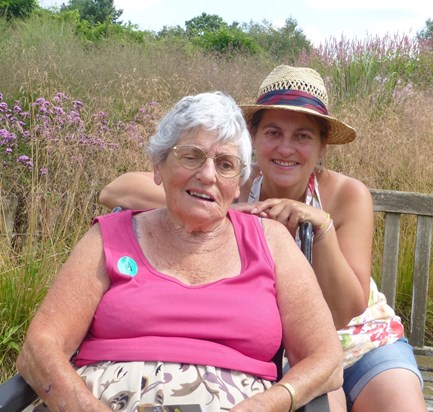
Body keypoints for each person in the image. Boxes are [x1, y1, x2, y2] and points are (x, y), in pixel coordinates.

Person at [98, 66, 426, 412]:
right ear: (253, 137)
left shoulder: (347, 195)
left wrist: (323, 227)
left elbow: (345, 312)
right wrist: (229, 207)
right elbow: (115, 190)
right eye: (273, 132)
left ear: (322, 145)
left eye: (303, 136)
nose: (286, 148)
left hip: (360, 340)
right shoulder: (229, 178)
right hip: (276, 344)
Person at [17, 91, 343, 412]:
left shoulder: (271, 242)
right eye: (191, 156)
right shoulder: (108, 238)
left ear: (238, 182)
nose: (207, 175)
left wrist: (267, 404)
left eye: (226, 164)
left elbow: (326, 359)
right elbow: (40, 347)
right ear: (159, 166)